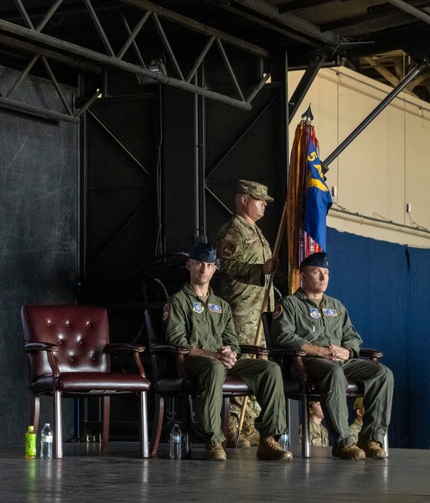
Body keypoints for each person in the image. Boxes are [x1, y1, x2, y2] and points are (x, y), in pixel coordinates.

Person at [164, 242, 292, 462]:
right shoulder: (178, 302)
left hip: (222, 360)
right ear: (189, 266)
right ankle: (213, 441)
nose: (204, 270)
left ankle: (269, 439)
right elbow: (178, 343)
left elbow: (233, 342)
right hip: (194, 363)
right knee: (214, 367)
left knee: (270, 369)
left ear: (215, 269)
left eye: (209, 265)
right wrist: (215, 355)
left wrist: (229, 352)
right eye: (198, 264)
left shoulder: (221, 306)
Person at [273, 252, 394, 460]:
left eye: (326, 273)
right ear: (303, 275)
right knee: (333, 372)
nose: (323, 278)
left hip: (340, 360)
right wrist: (320, 351)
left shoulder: (336, 306)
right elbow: (283, 336)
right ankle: (343, 442)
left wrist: (347, 350)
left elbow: (352, 336)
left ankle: (371, 438)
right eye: (316, 272)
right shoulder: (290, 304)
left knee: (382, 373)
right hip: (308, 362)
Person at [216, 180, 279, 448]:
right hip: (240, 311)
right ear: (243, 200)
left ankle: (249, 422)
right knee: (241, 364)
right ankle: (232, 422)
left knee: (258, 364)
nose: (264, 204)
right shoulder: (234, 230)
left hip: (258, 312)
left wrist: (275, 301)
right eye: (259, 199)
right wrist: (261, 270)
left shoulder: (259, 232)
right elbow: (230, 266)